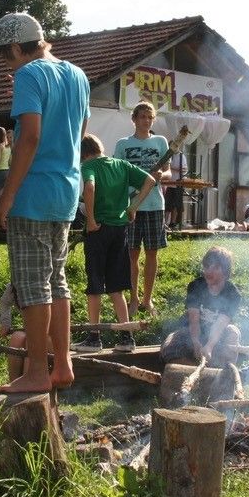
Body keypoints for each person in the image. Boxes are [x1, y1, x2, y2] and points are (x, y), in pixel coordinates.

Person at [0, 11, 91, 394]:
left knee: (32, 285)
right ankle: (62, 364)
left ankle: (35, 372)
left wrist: (5, 199)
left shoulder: (29, 75)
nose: (3, 63)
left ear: (16, 47)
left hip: (33, 193)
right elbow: (78, 134)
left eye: (3, 54)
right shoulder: (77, 75)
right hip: (66, 191)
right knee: (55, 281)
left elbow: (28, 137)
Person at [74, 133, 157, 354]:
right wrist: (133, 206)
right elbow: (150, 180)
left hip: (98, 229)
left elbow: (89, 187)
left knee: (94, 287)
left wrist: (90, 220)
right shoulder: (121, 164)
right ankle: (126, 337)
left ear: (84, 154)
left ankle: (94, 338)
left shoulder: (89, 166)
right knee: (117, 288)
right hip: (120, 230)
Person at [113, 102, 171, 316]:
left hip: (155, 205)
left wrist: (159, 177)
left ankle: (148, 299)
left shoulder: (160, 142)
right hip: (131, 206)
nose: (146, 121)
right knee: (131, 255)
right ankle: (134, 299)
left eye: (150, 117)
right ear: (134, 119)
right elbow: (117, 173)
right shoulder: (123, 144)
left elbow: (168, 173)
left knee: (152, 253)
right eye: (142, 117)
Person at [161, 246, 242, 367]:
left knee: (233, 332)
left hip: (218, 336)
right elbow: (194, 320)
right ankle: (190, 369)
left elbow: (220, 324)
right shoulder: (195, 286)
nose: (209, 271)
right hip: (191, 332)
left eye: (215, 267)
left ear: (225, 271)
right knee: (168, 347)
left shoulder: (233, 294)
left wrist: (209, 346)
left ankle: (221, 374)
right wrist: (195, 341)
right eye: (207, 266)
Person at [164, 148, 187, 229]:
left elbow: (184, 169)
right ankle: (165, 223)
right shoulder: (169, 155)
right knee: (167, 204)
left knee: (176, 205)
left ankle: (172, 223)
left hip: (178, 183)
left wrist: (172, 168)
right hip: (169, 184)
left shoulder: (181, 156)